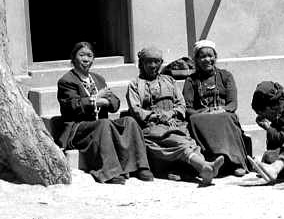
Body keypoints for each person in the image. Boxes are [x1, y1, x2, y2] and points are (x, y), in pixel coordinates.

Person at [56, 42, 153, 184]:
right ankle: (109, 171)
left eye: (89, 56)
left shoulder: (98, 79)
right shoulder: (67, 81)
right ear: (73, 58)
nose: (86, 59)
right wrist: (95, 100)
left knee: (129, 121)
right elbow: (72, 106)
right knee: (104, 124)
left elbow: (115, 103)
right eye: (81, 55)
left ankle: (139, 166)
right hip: (78, 129)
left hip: (100, 126)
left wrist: (105, 102)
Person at [126, 46, 224, 186]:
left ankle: (205, 169)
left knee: (189, 142)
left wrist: (171, 114)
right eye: (149, 62)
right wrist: (158, 117)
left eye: (156, 62)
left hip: (174, 123)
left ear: (161, 63)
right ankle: (205, 166)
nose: (153, 65)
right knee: (179, 143)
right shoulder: (135, 85)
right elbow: (136, 110)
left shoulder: (169, 80)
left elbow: (181, 104)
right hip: (152, 128)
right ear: (141, 63)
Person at [182, 40, 249, 177]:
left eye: (210, 56)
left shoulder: (226, 76)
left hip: (223, 114)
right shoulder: (191, 80)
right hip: (201, 116)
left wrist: (221, 110)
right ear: (196, 60)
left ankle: (234, 163)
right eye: (203, 56)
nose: (207, 59)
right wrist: (204, 111)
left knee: (226, 118)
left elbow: (232, 104)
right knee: (194, 120)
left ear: (215, 57)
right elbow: (187, 107)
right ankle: (209, 162)